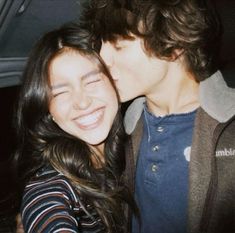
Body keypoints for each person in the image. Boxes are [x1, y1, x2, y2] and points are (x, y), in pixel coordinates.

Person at [81, 0, 235, 233]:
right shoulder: (120, 125)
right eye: (101, 43)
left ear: (174, 43)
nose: (101, 58)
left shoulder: (229, 132)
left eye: (118, 44)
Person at [13, 23, 137, 233]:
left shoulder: (138, 139)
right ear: (47, 108)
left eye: (91, 81)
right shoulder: (50, 183)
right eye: (60, 93)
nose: (81, 103)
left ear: (114, 83)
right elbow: (46, 206)